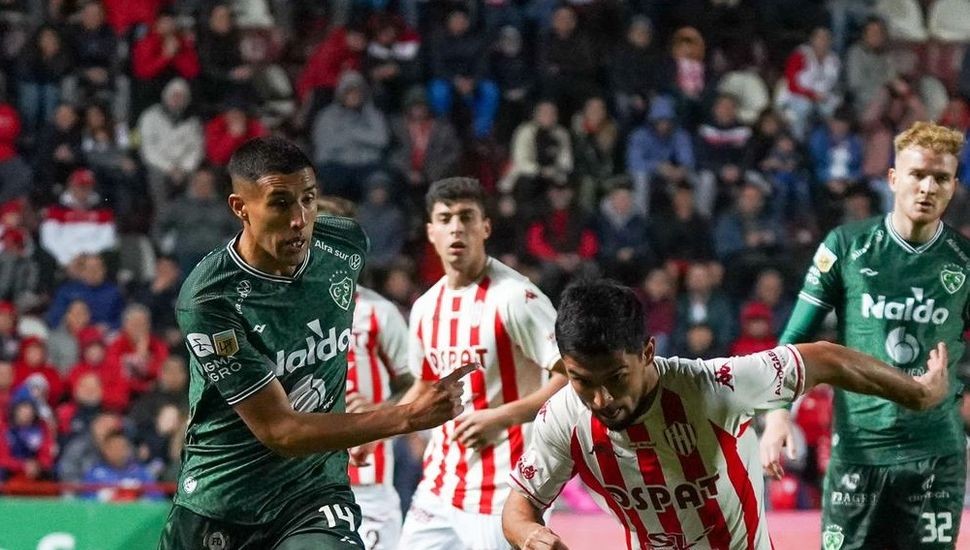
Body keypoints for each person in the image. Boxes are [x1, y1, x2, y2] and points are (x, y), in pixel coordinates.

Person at [157, 137, 471, 549]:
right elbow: (280, 430)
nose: (299, 220)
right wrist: (407, 416)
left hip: (313, 495)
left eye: (308, 199)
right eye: (280, 203)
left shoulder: (344, 246)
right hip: (224, 499)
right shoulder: (210, 298)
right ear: (240, 208)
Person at [502, 279, 951, 549]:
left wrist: (915, 392)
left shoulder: (713, 387)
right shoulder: (562, 417)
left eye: (616, 378)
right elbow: (520, 505)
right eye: (582, 380)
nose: (601, 399)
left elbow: (824, 358)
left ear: (648, 352)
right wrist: (528, 534)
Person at [760, 121, 970, 549]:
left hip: (935, 451)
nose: (927, 188)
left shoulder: (963, 260)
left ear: (953, 187)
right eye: (917, 174)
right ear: (893, 178)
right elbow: (796, 335)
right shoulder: (846, 245)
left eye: (941, 178)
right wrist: (778, 413)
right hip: (859, 450)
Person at [398, 177, 568, 549]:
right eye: (445, 219)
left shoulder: (516, 297)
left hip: (503, 493)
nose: (456, 228)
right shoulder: (425, 307)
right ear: (431, 232)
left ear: (485, 227)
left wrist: (501, 417)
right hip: (439, 487)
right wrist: (373, 432)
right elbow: (425, 384)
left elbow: (571, 378)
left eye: (466, 217)